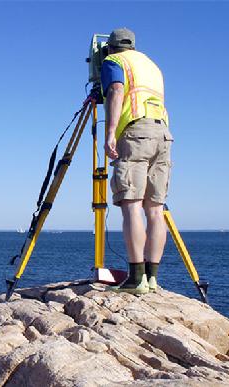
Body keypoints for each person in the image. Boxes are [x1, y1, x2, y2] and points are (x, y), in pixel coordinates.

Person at [101, 28, 173, 294]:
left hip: (135, 133)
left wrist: (110, 132)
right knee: (155, 209)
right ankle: (152, 278)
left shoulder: (114, 62)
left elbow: (117, 91)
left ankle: (135, 279)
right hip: (163, 134)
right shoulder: (151, 65)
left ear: (110, 48)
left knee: (131, 204)